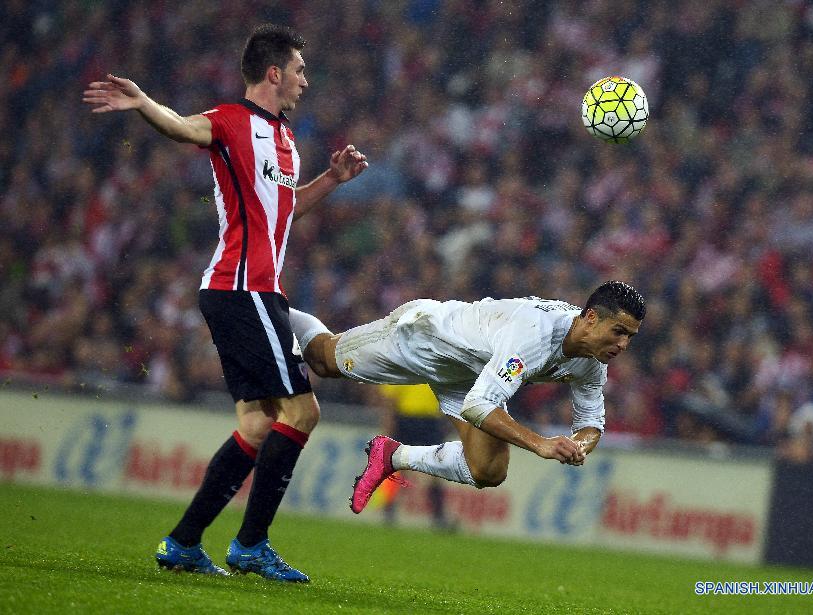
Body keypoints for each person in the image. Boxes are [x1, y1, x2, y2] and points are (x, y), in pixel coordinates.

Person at [83, 24, 368, 581]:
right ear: (274, 73)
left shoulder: (285, 139)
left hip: (248, 291)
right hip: (244, 289)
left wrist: (331, 180)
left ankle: (183, 542)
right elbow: (182, 126)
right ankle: (251, 544)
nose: (306, 81)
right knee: (302, 412)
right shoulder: (232, 122)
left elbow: (283, 209)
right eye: (300, 70)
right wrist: (143, 103)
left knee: (258, 426)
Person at [288, 281, 644, 513]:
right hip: (424, 340)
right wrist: (540, 444)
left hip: (468, 373)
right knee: (322, 359)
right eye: (618, 331)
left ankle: (393, 455)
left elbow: (591, 423)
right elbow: (479, 405)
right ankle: (268, 302)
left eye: (630, 336)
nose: (623, 344)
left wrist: (579, 446)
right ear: (591, 318)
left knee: (488, 470)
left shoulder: (593, 361)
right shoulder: (533, 335)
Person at [373, 384, 452, 528]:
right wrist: (388, 423)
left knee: (435, 468)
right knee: (399, 467)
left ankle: (438, 516)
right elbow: (391, 399)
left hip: (430, 421)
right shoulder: (409, 370)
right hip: (406, 419)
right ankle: (389, 509)